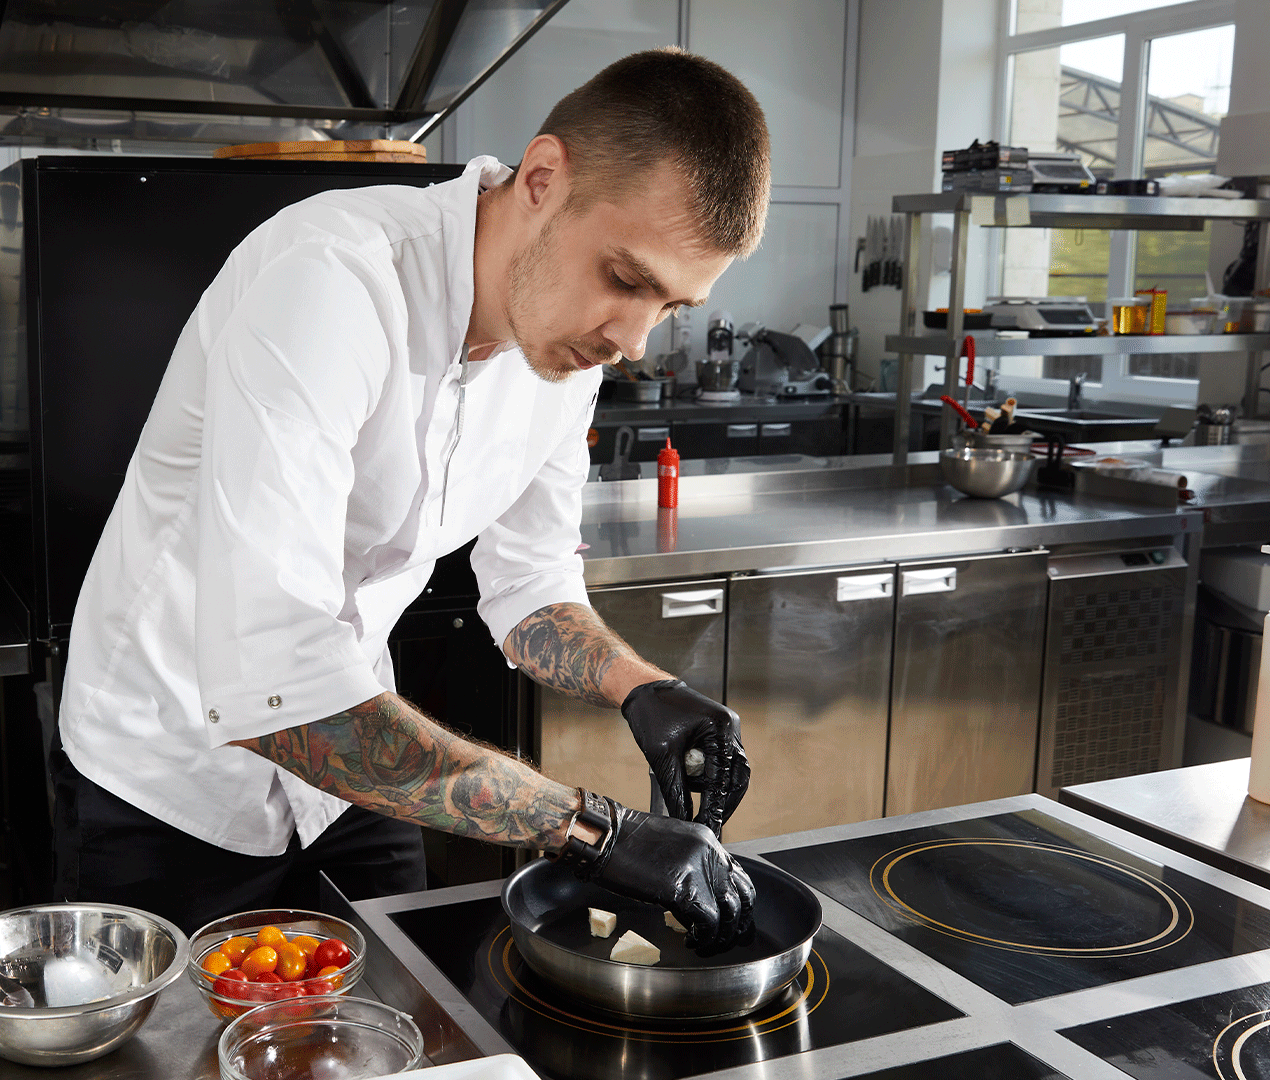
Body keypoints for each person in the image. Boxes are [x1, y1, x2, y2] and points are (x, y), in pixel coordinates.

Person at [53, 48, 769, 945]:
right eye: (627, 279)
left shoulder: (569, 348)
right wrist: (592, 830)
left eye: (670, 306)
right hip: (172, 775)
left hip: (352, 763)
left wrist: (644, 689)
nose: (633, 337)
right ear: (543, 178)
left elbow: (531, 582)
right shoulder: (332, 282)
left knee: (410, 1023)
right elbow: (278, 680)